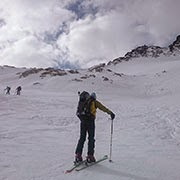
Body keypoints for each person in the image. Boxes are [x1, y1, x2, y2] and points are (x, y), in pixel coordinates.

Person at [75, 92, 115, 163]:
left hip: (83, 121)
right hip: (90, 121)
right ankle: (90, 156)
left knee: (82, 138)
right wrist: (110, 113)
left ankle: (78, 155)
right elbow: (102, 107)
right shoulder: (94, 102)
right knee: (91, 138)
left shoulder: (83, 101)